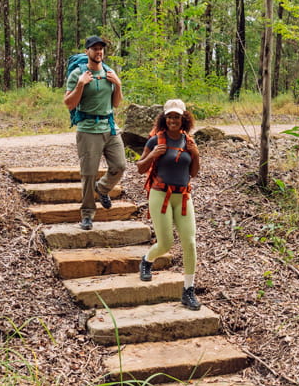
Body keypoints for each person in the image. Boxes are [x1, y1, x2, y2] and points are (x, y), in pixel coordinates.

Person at [137, 99, 202, 310]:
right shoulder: (156, 140)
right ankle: (147, 260)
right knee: (165, 244)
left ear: (184, 118)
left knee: (189, 242)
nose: (173, 120)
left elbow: (193, 173)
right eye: (170, 116)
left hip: (183, 197)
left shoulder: (188, 141)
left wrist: (195, 154)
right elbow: (139, 168)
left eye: (177, 116)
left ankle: (188, 290)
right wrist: (153, 155)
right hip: (160, 195)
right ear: (165, 119)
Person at [63, 35, 126, 231]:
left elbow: (116, 103)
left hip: (109, 127)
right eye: (95, 48)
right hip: (88, 129)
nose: (99, 52)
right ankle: (87, 215)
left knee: (120, 165)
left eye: (101, 49)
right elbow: (69, 103)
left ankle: (103, 188)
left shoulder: (109, 72)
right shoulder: (77, 74)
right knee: (88, 174)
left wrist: (118, 84)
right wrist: (81, 84)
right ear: (87, 51)